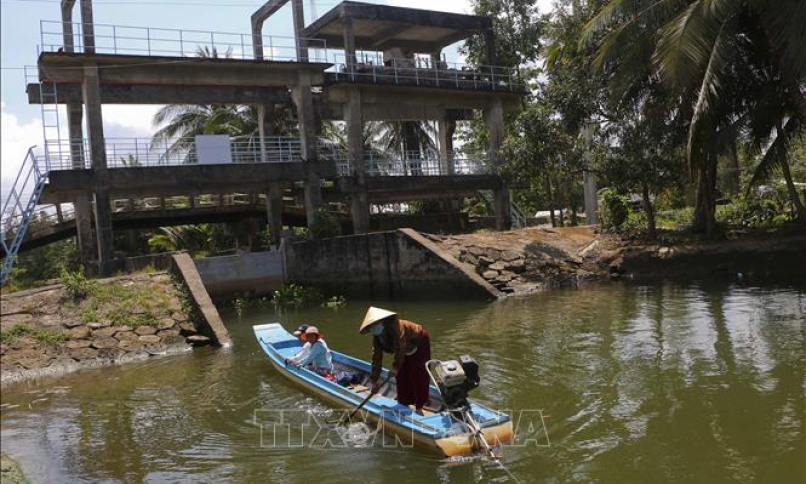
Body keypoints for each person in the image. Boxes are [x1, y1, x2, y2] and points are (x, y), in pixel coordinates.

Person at [359, 307, 431, 415]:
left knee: (419, 374)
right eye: (371, 326)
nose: (374, 327)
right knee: (401, 375)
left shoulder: (396, 327)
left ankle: (419, 405)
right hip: (404, 350)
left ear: (382, 322)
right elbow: (376, 358)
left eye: (376, 324)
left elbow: (400, 347)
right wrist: (374, 381)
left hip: (418, 342)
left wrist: (395, 367)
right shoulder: (377, 337)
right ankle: (404, 400)